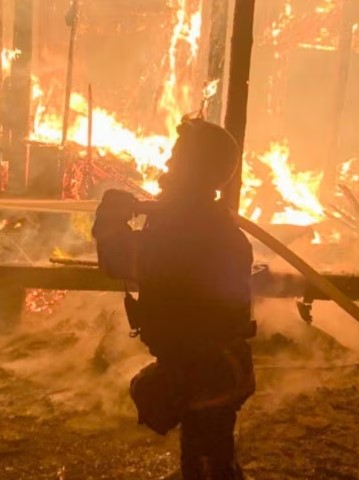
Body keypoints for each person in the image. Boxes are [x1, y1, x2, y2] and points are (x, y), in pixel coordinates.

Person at [92, 118, 255, 480]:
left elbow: (119, 260)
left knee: (208, 464)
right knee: (206, 454)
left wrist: (110, 221)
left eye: (177, 158)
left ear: (197, 170)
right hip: (208, 365)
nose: (167, 165)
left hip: (207, 369)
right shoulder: (203, 223)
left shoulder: (190, 231)